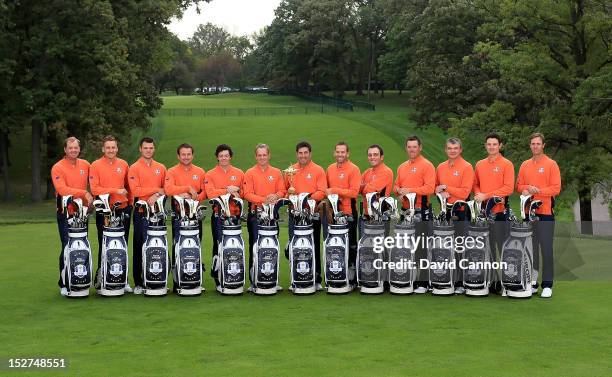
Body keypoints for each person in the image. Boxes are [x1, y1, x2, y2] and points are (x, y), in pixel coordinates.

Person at [516, 132, 561, 298]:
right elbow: (518, 186)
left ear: (543, 145)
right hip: (528, 213)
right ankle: (533, 281)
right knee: (531, 249)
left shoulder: (551, 164)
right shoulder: (525, 165)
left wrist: (539, 190)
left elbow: (556, 188)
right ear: (530, 146)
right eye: (533, 144)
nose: (535, 146)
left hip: (546, 213)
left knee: (546, 250)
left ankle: (548, 284)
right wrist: (527, 188)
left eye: (538, 144)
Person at [89, 135, 132, 292]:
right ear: (103, 149)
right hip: (104, 210)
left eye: (113, 147)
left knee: (123, 244)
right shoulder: (95, 165)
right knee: (104, 243)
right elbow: (95, 189)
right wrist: (115, 190)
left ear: (117, 148)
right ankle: (101, 278)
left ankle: (124, 279)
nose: (111, 150)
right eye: (108, 147)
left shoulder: (123, 164)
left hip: (123, 208)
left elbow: (129, 186)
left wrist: (130, 204)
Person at [473, 132, 514, 293]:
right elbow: (475, 184)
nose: (491, 147)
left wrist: (486, 195)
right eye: (489, 144)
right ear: (486, 146)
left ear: (500, 146)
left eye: (494, 144)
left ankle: (506, 284)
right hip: (484, 214)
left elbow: (508, 188)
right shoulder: (480, 164)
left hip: (500, 214)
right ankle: (492, 281)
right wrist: (478, 194)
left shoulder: (507, 164)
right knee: (487, 249)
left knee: (502, 249)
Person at [393, 136, 435, 294]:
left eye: (414, 147)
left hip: (421, 211)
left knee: (421, 247)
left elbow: (429, 188)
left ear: (420, 148)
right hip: (405, 212)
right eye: (409, 147)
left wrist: (409, 190)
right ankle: (407, 277)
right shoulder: (402, 166)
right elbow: (396, 185)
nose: (412, 149)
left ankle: (423, 282)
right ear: (406, 148)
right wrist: (398, 191)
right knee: (406, 247)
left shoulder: (427, 165)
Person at [51, 136, 92, 296]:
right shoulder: (58, 167)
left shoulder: (86, 165)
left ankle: (78, 278)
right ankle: (64, 282)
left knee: (80, 246)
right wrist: (83, 193)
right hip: (65, 212)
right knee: (67, 246)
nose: (73, 150)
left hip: (82, 213)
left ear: (79, 149)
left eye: (76, 147)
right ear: (65, 149)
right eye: (70, 148)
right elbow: (62, 189)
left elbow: (94, 183)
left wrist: (92, 201)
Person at [242, 144, 286, 290]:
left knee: (272, 246)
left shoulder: (277, 172)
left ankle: (273, 278)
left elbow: (282, 190)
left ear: (269, 155)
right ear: (256, 157)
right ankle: (254, 280)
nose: (262, 157)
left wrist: (276, 195)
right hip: (256, 215)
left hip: (273, 215)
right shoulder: (249, 172)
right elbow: (246, 194)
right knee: (255, 246)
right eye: (259, 155)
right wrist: (263, 200)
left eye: (264, 155)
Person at [286, 141, 327, 290]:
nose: (303, 156)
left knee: (314, 245)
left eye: (306, 153)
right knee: (294, 245)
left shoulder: (318, 170)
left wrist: (306, 199)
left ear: (310, 153)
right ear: (297, 154)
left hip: (312, 213)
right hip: (294, 214)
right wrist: (291, 197)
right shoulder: (290, 170)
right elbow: (286, 191)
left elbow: (322, 191)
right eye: (300, 153)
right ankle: (295, 279)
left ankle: (316, 279)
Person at [435, 137, 474, 294]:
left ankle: (461, 282)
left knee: (460, 247)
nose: (452, 151)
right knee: (445, 247)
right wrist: (439, 190)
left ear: (460, 150)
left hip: (461, 212)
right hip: (445, 211)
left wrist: (446, 188)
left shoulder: (467, 167)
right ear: (446, 150)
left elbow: (465, 192)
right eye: (450, 148)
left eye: (455, 148)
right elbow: (435, 188)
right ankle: (446, 278)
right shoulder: (441, 167)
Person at [127, 137, 166, 295]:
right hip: (141, 212)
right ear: (140, 149)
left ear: (154, 149)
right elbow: (135, 191)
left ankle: (156, 279)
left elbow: (166, 189)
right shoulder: (134, 168)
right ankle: (138, 282)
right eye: (145, 148)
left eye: (151, 148)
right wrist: (156, 190)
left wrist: (156, 194)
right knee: (139, 245)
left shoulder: (161, 168)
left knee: (157, 246)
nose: (148, 150)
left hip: (158, 211)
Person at [205, 144, 245, 291]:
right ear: (217, 157)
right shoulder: (210, 174)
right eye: (221, 156)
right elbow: (210, 194)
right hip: (218, 215)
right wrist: (228, 190)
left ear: (230, 157)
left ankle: (233, 273)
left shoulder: (239, 173)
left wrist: (238, 190)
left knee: (234, 245)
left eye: (226, 156)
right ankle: (217, 276)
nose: (224, 158)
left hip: (235, 216)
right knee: (219, 245)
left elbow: (244, 192)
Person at [164, 143, 207, 279]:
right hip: (178, 215)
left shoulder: (200, 171)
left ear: (192, 155)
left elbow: (204, 192)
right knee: (177, 244)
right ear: (178, 156)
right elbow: (169, 189)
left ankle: (195, 277)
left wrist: (195, 197)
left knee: (196, 244)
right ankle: (178, 279)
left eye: (189, 154)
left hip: (195, 214)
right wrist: (186, 189)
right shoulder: (171, 171)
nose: (186, 157)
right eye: (183, 154)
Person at [326, 142, 361, 286]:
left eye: (343, 152)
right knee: (336, 245)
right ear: (334, 153)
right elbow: (326, 190)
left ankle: (352, 277)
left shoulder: (354, 169)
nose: (340, 154)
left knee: (351, 245)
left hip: (349, 213)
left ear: (348, 154)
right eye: (338, 152)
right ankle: (336, 273)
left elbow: (354, 192)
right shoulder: (329, 169)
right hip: (333, 214)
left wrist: (335, 190)